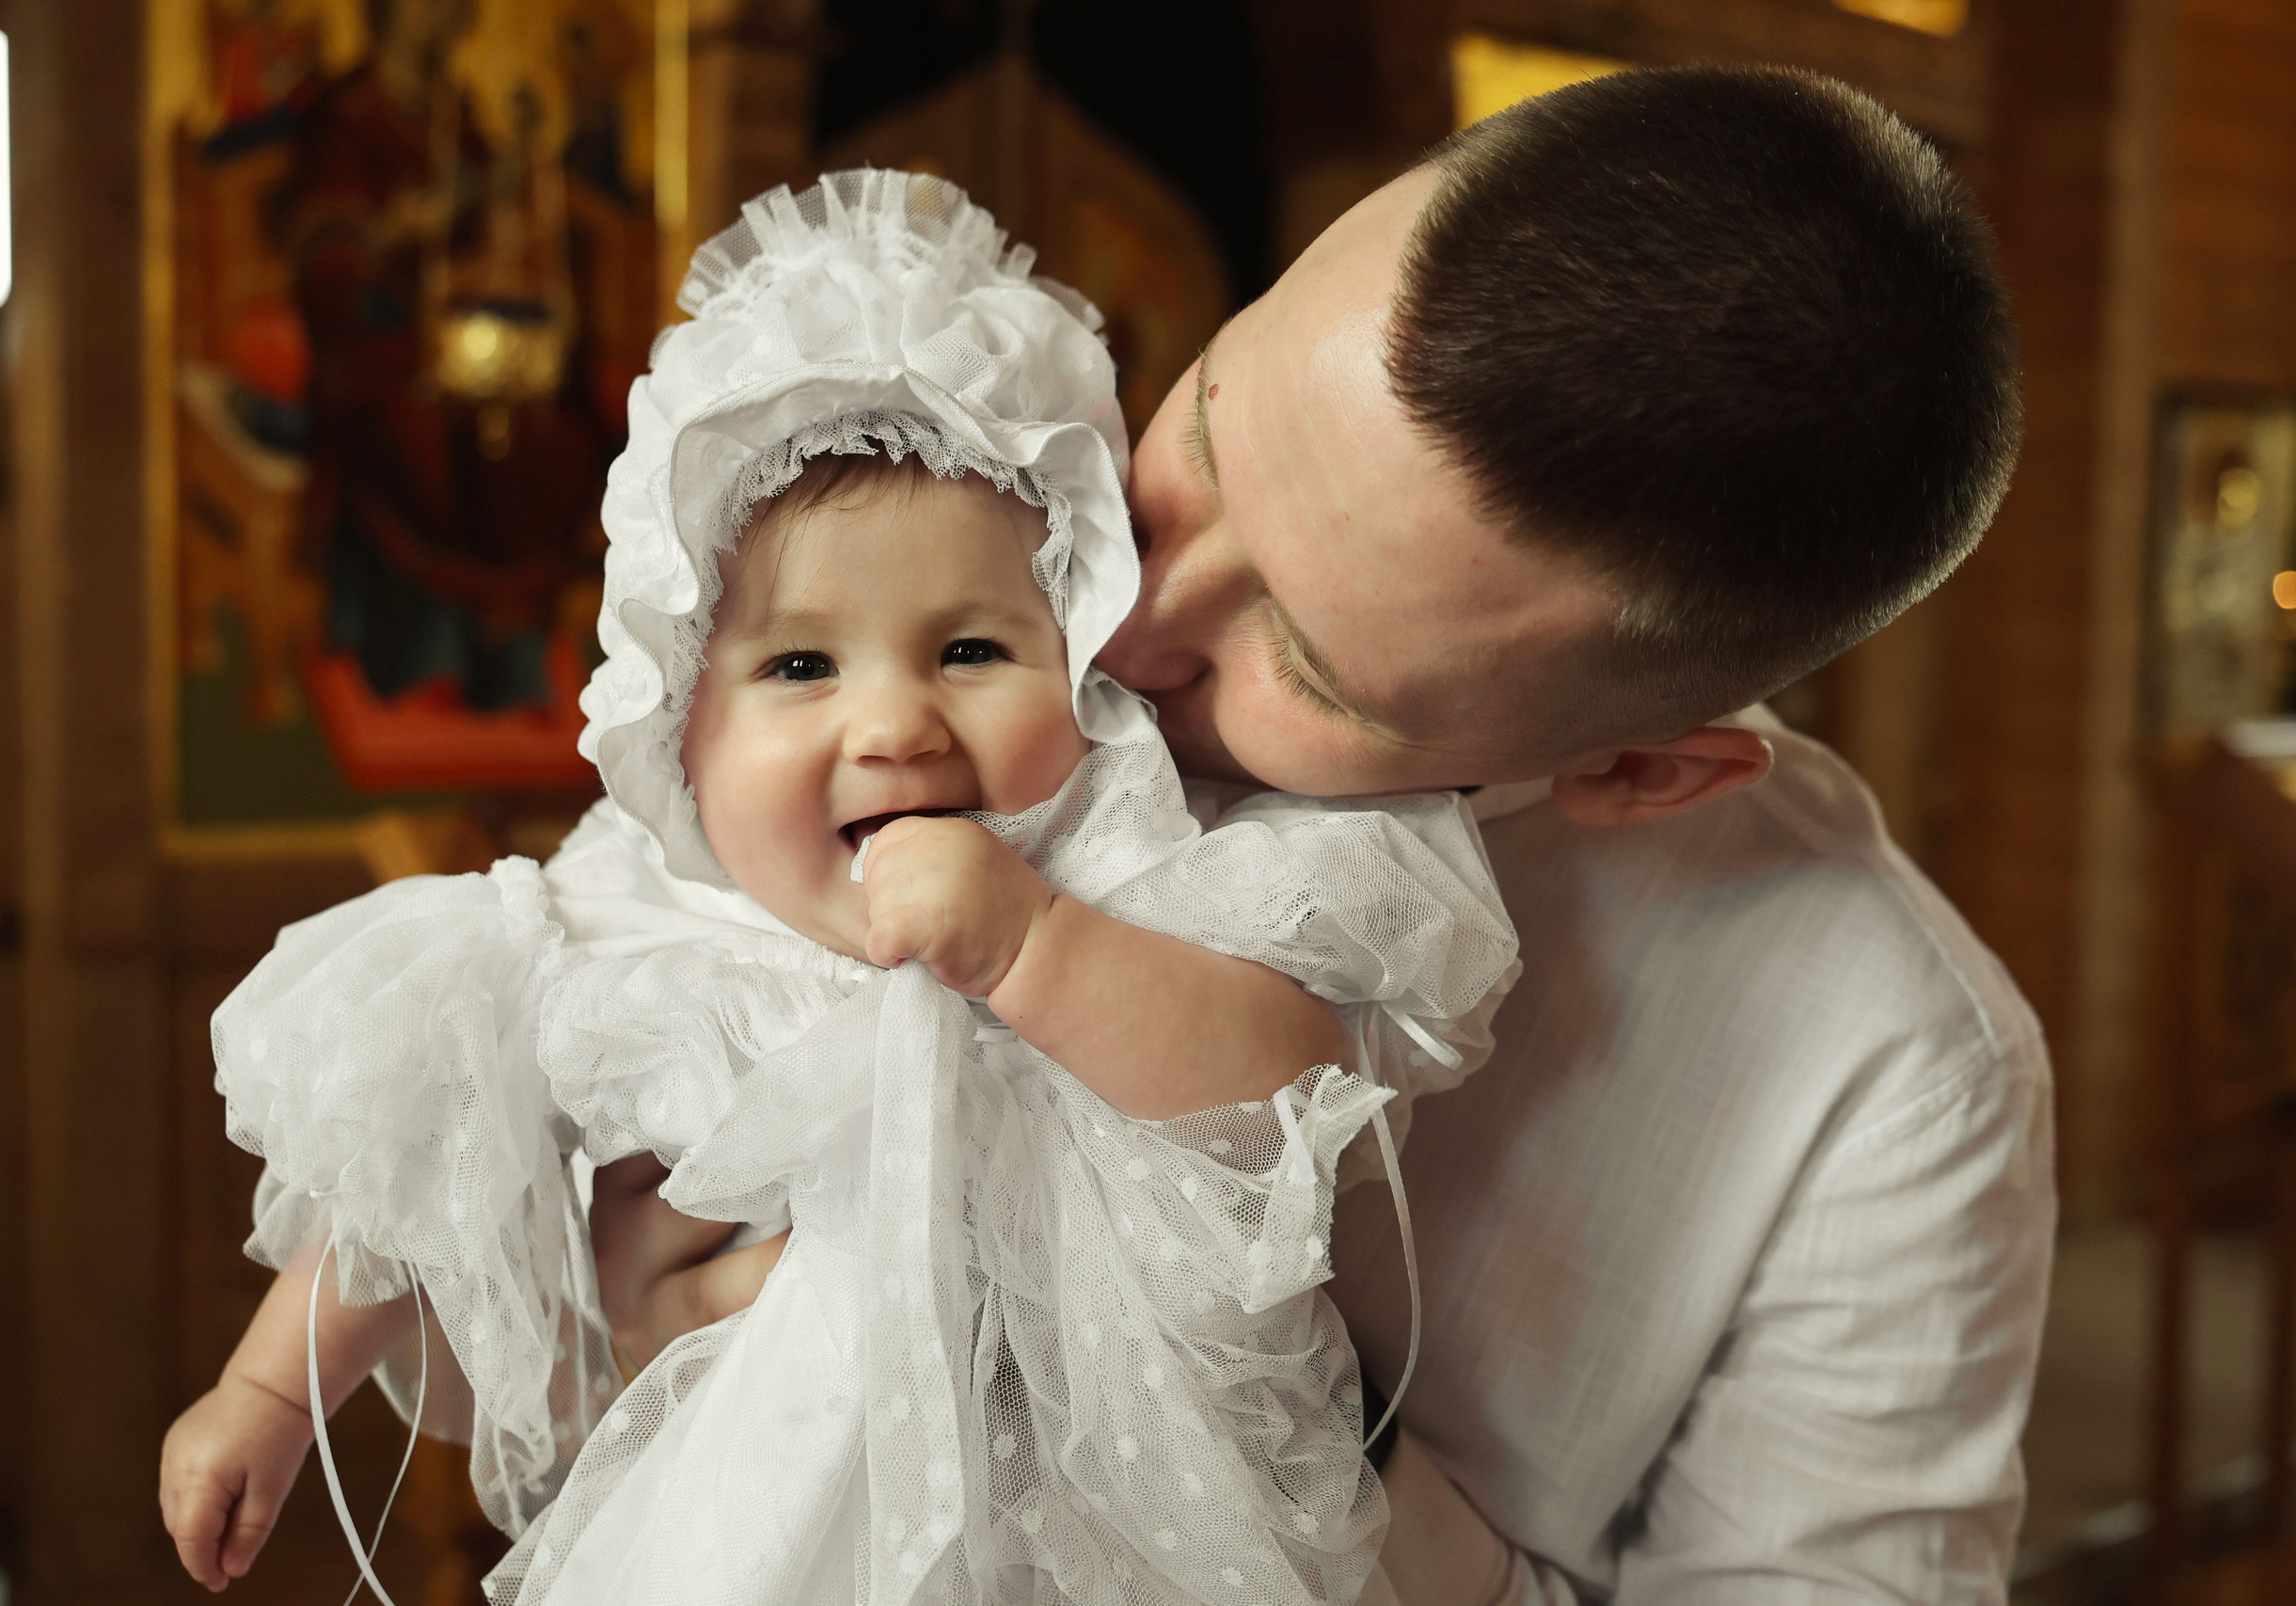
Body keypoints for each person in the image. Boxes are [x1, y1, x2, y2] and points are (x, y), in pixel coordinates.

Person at [594, 66, 2053, 1604]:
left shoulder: (1904, 1078)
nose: (1124, 619)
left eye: (1302, 661)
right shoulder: (964, 549)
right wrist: (639, 1309)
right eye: (1204, 441)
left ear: (1640, 771)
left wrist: (1285, 1416)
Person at [160, 171, 1520, 1605]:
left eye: (972, 651)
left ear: (1086, 657)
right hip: (750, 1525)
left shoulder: (1129, 870)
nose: (894, 726)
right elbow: (422, 1153)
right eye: (801, 666)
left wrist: (1034, 947)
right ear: (676, 721)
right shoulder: (637, 915)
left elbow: (1284, 1092)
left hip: (1117, 1526)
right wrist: (267, 1393)